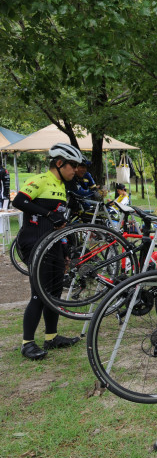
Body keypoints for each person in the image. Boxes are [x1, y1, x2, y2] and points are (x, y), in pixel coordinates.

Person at [12, 143, 83, 360]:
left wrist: (66, 247)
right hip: (34, 242)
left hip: (53, 244)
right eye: (73, 165)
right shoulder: (40, 180)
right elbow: (19, 201)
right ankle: (27, 343)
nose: (75, 170)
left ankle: (51, 337)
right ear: (59, 163)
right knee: (39, 294)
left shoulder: (62, 186)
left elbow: (59, 222)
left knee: (53, 294)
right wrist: (48, 215)